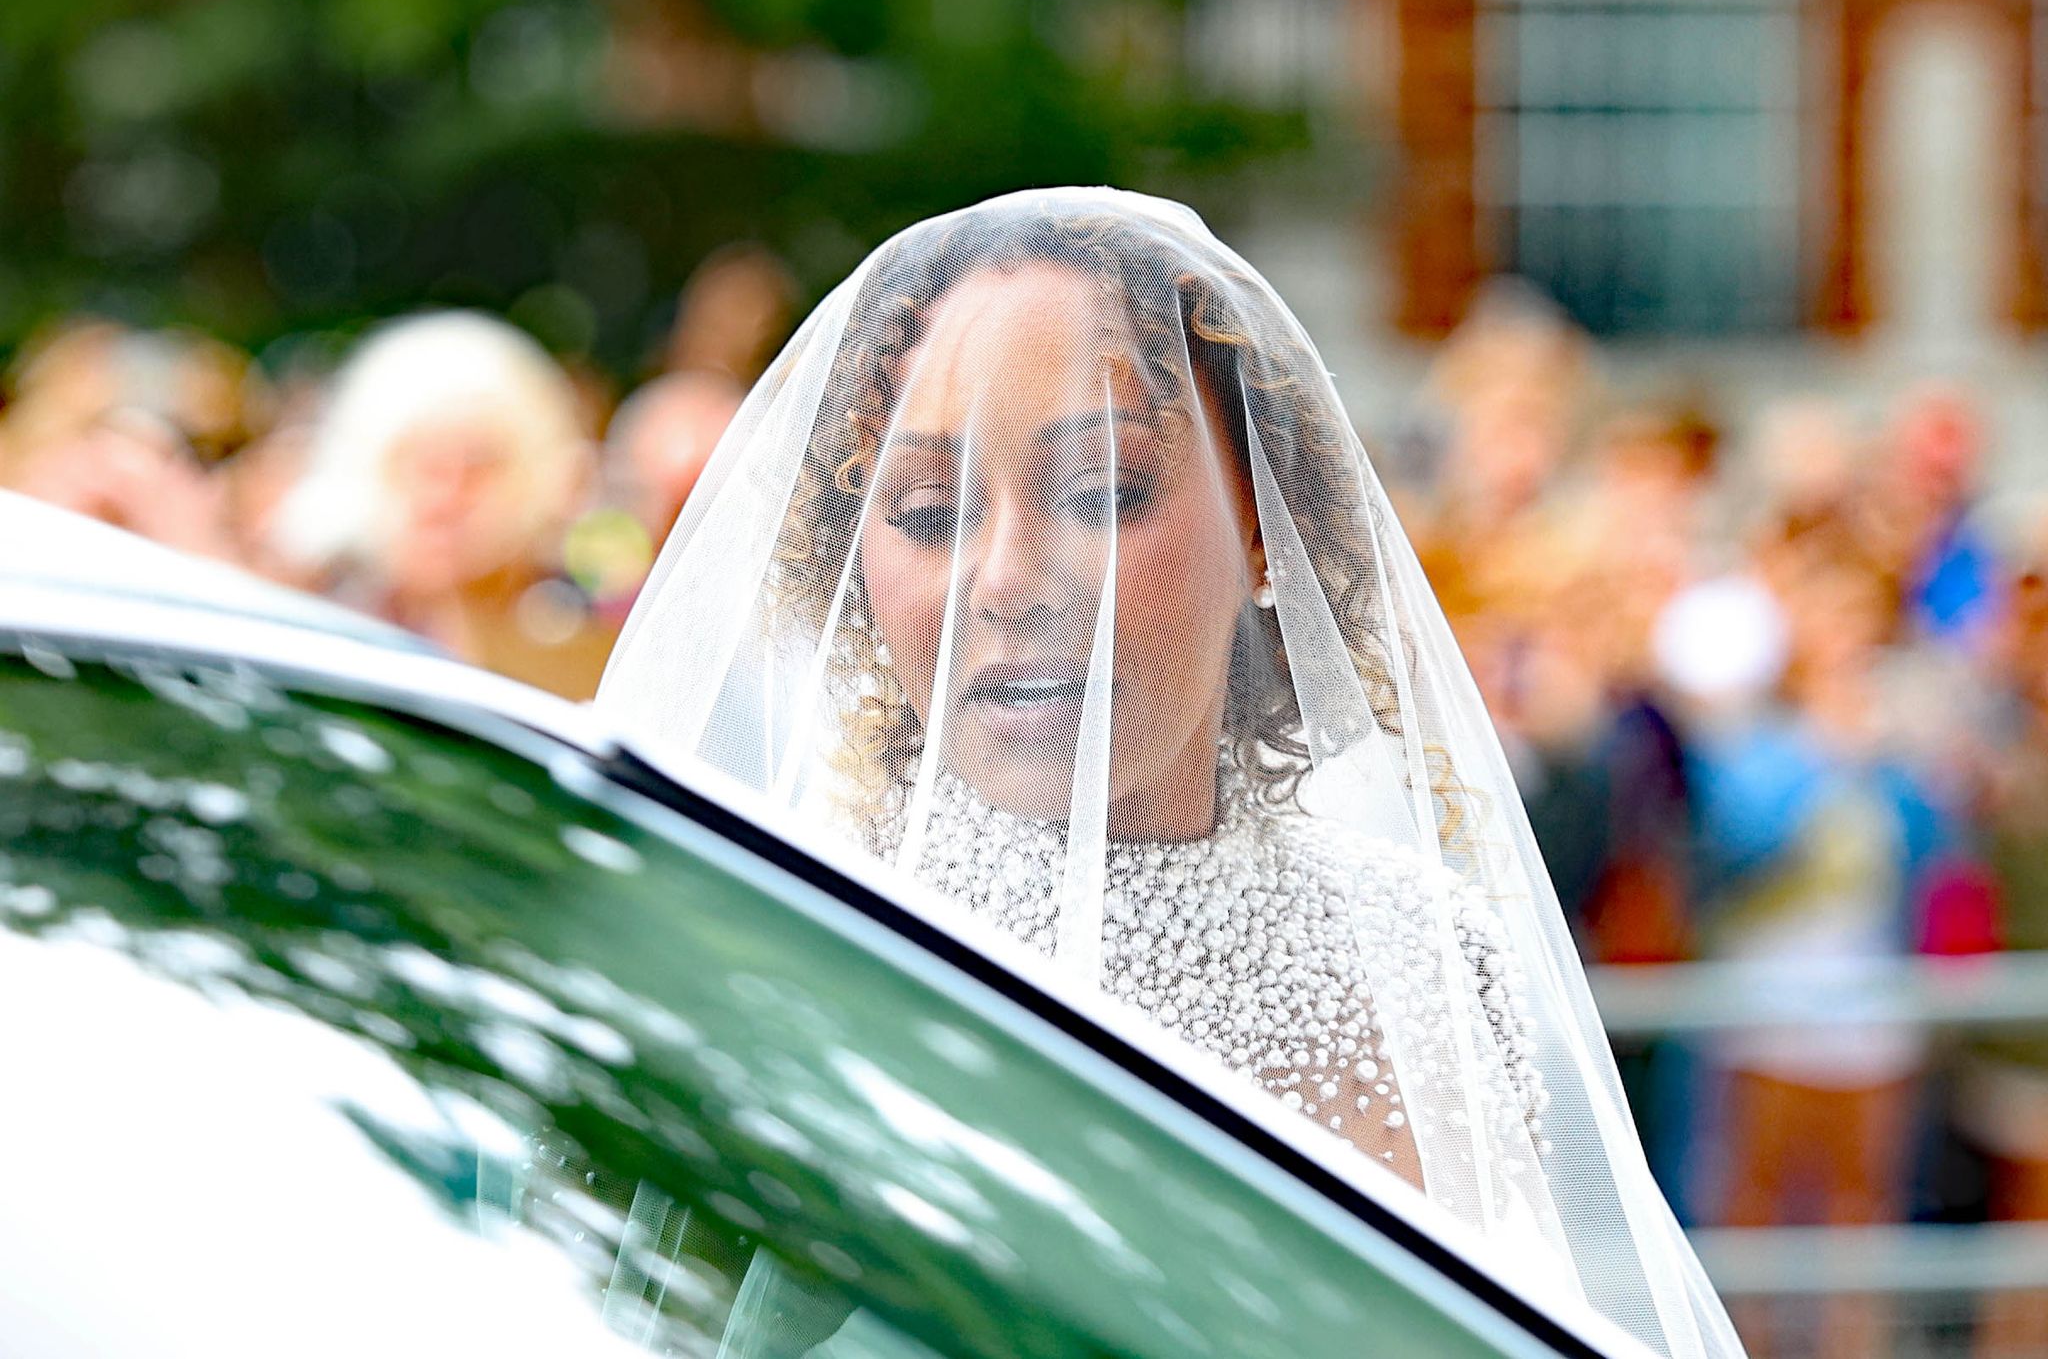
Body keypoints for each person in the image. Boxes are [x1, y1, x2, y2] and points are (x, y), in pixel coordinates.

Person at [598, 189, 1742, 1357]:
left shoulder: (1424, 956)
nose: (1005, 579)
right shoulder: (790, 961)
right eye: (930, 511)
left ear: (1262, 522)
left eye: (1101, 489)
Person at [273, 311, 614, 700]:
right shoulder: (318, 635)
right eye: (422, 465)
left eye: (477, 468)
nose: (444, 499)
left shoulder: (581, 657)